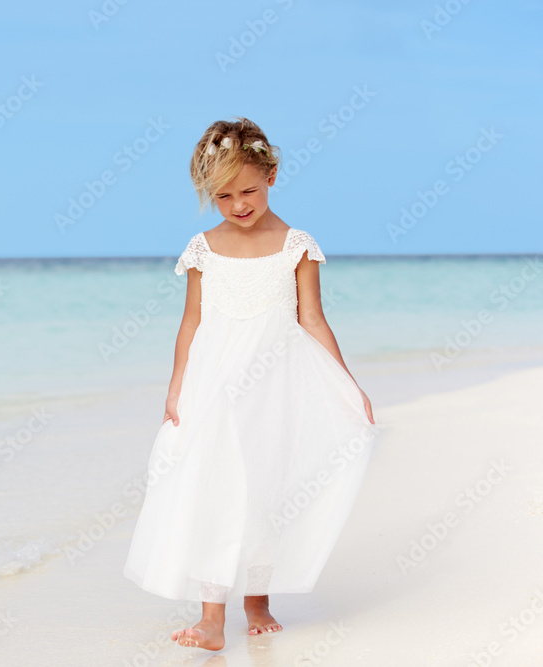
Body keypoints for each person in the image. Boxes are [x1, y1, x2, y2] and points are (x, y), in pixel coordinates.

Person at [123, 117, 378, 651]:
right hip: (214, 383)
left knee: (266, 484)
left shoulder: (296, 245)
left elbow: (312, 318)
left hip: (275, 384)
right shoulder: (203, 248)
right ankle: (211, 618)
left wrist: (347, 384)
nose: (238, 204)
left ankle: (257, 601)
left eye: (248, 190)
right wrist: (177, 386)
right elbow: (191, 322)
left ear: (273, 175)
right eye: (223, 196)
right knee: (214, 483)